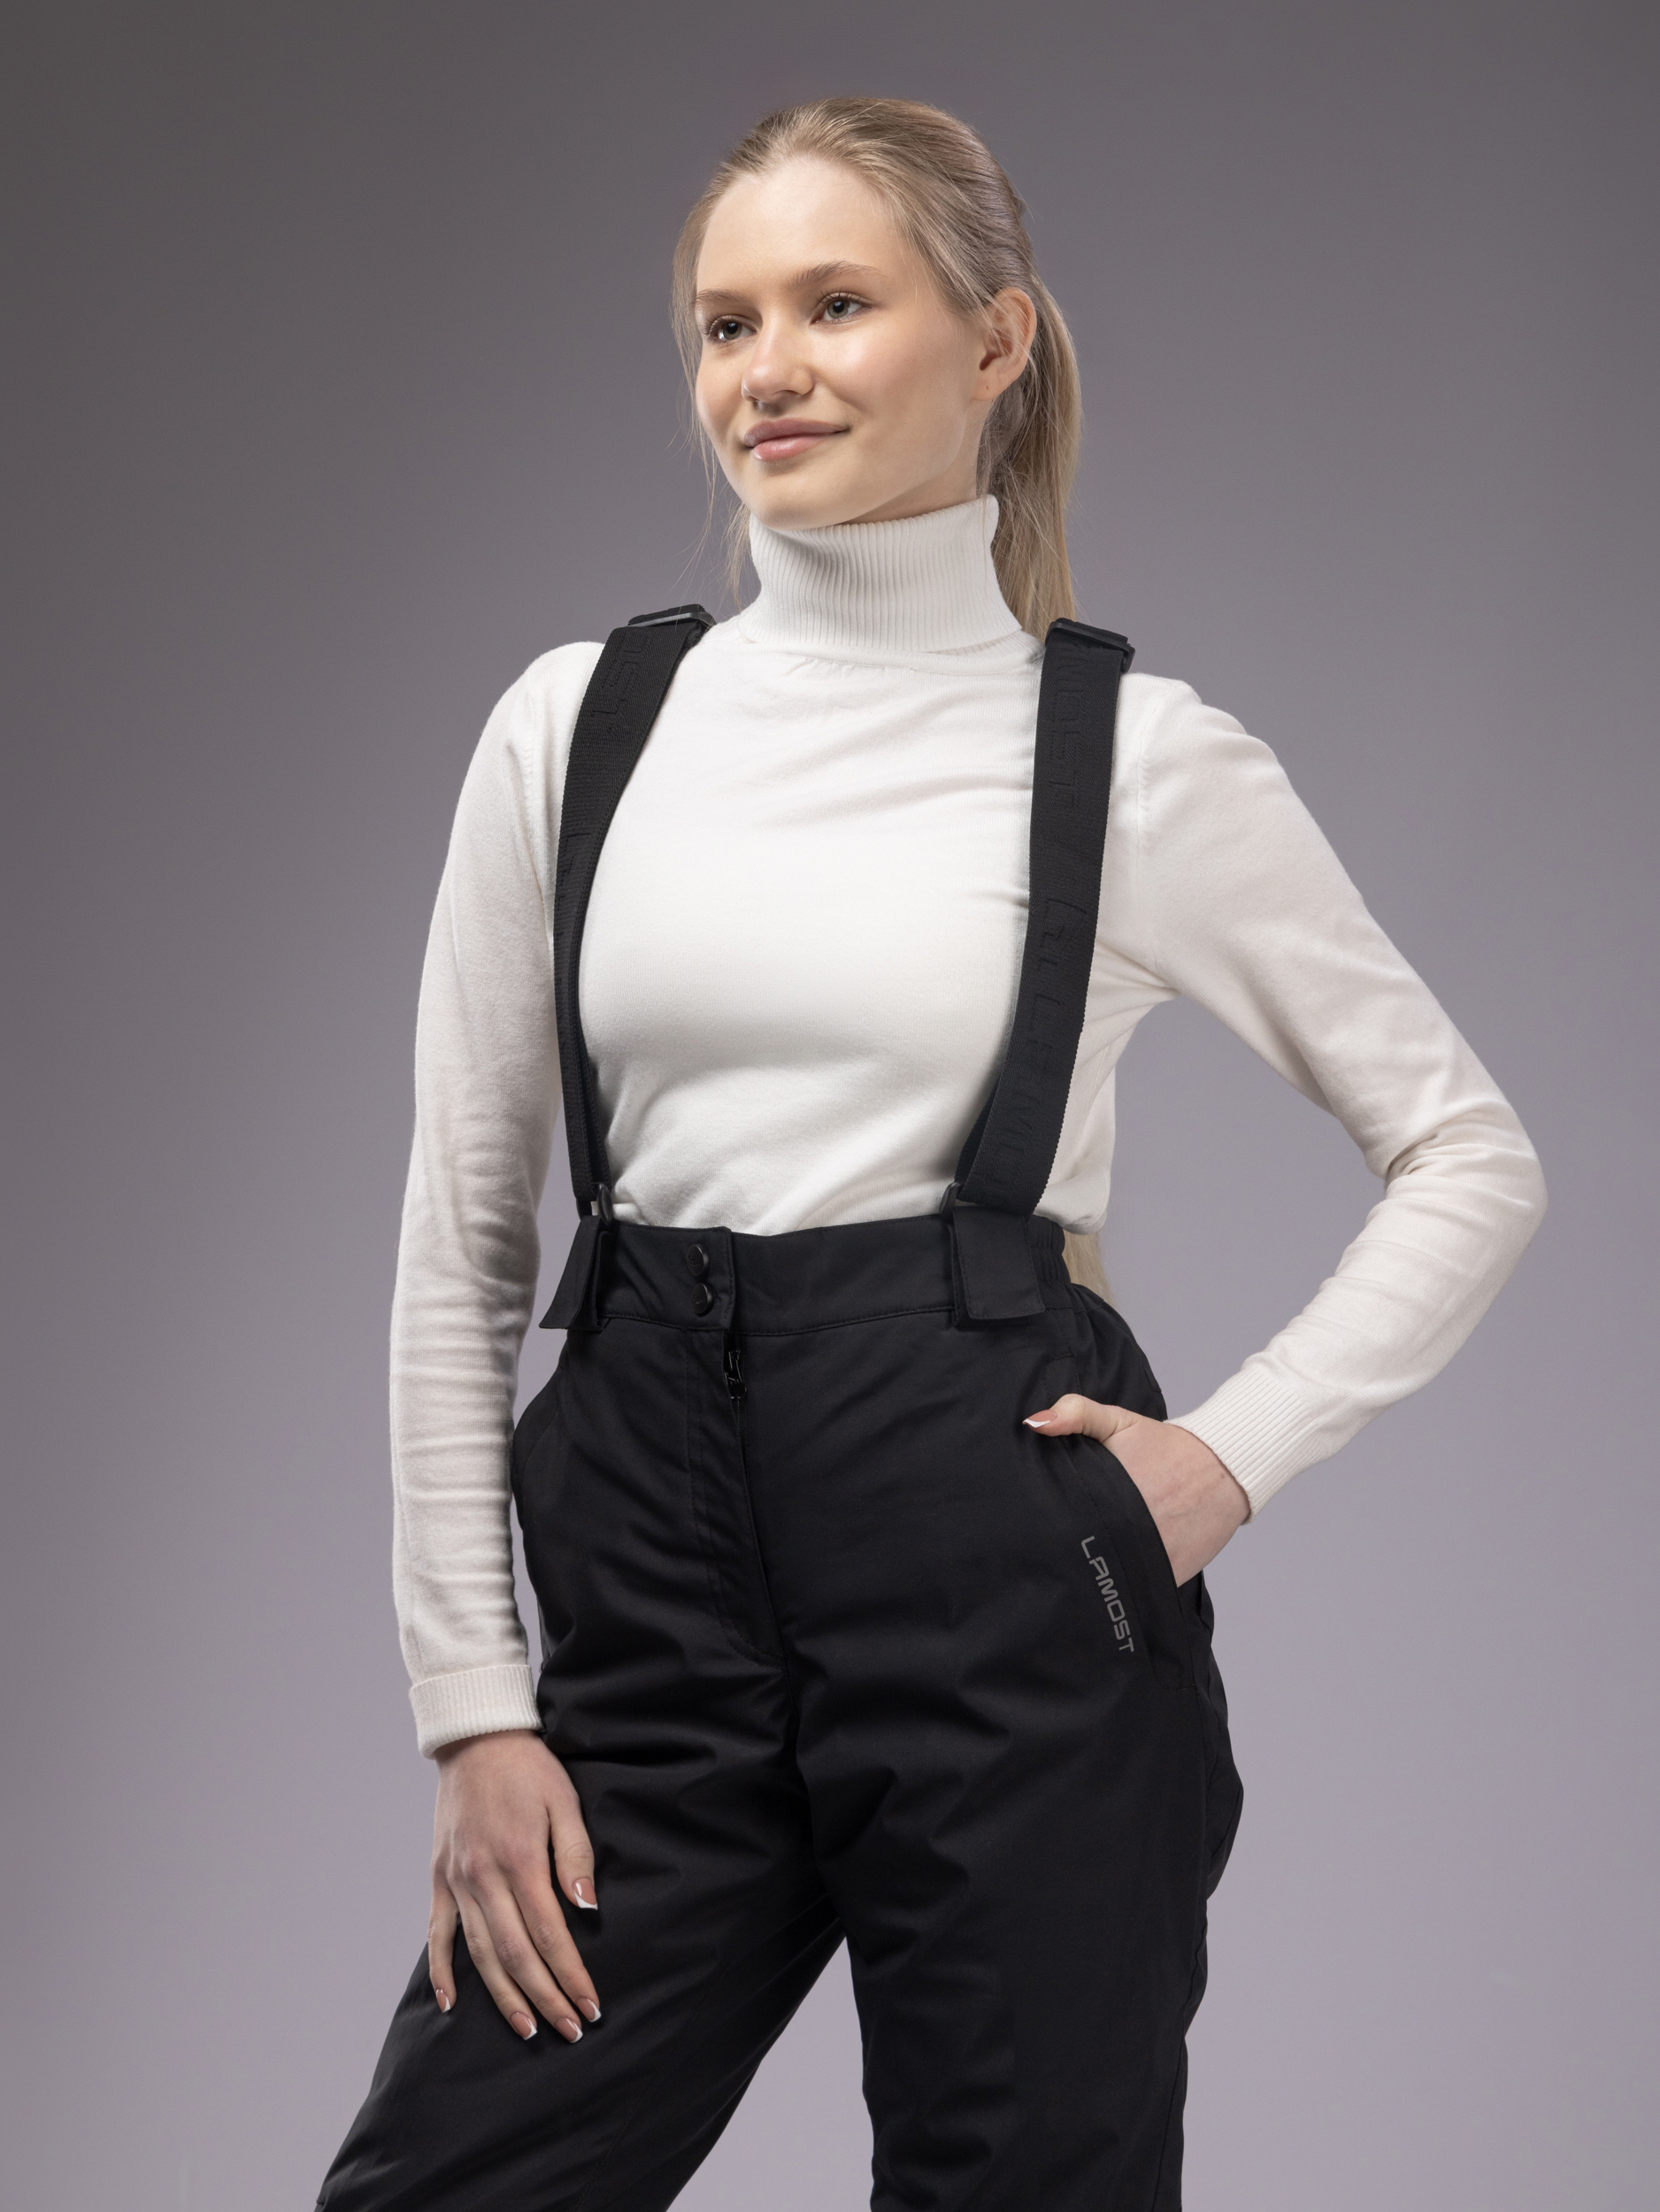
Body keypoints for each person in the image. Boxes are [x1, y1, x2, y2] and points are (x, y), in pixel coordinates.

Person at [315, 96, 1545, 2212]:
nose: (763, 368)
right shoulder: (578, 727)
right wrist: (472, 1708)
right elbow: (461, 1242)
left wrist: (1215, 1462)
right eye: (723, 323)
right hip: (648, 1573)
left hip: (1002, 1572)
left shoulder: (1129, 759)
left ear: (993, 340)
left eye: (832, 304)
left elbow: (1466, 1152)